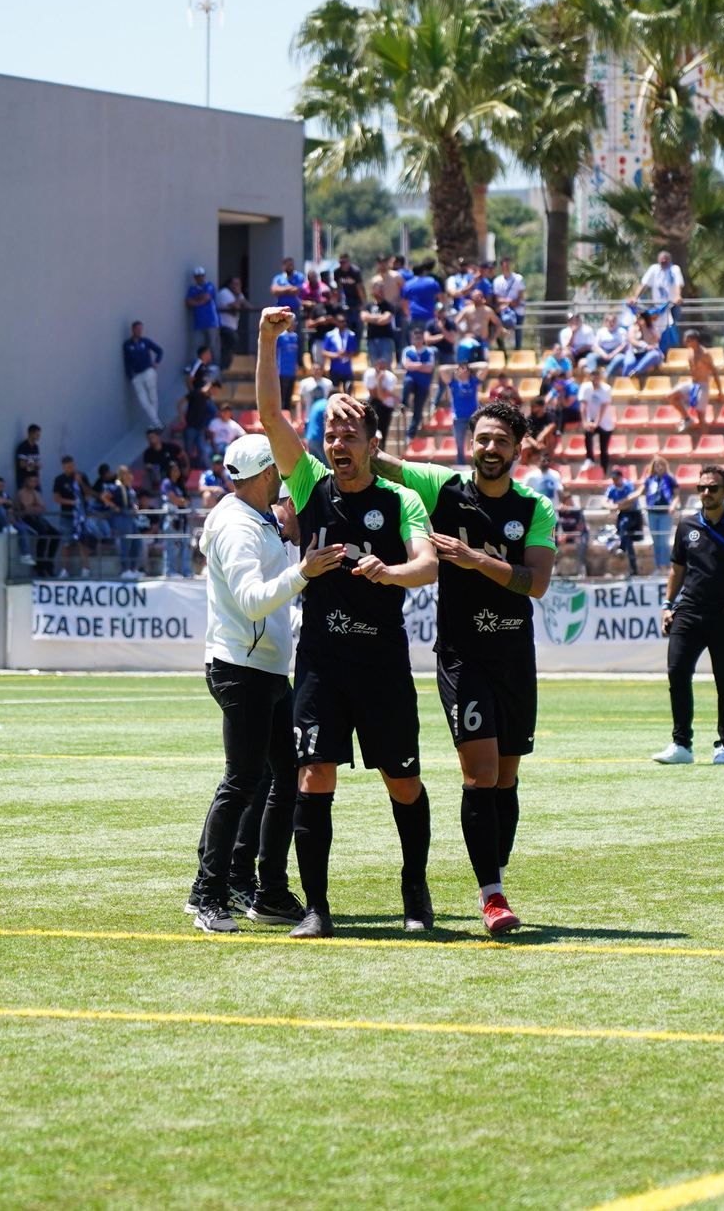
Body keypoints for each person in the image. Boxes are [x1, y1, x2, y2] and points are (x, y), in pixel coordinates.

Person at [336, 393, 557, 935]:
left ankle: (493, 871)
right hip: (462, 659)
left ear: (517, 450)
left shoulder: (535, 508)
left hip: (513, 659)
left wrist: (478, 561)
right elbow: (380, 462)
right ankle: (493, 896)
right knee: (479, 774)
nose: (489, 448)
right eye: (482, 438)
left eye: (501, 441)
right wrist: (359, 421)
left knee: (506, 779)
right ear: (470, 442)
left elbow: (538, 583)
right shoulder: (441, 488)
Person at [256, 305, 439, 940]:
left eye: (349, 434)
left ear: (372, 444)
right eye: (330, 433)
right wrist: (267, 342)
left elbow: (427, 564)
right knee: (313, 775)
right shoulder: (306, 486)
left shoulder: (401, 499)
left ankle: (415, 889)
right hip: (322, 664)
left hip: (382, 662)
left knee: (404, 781)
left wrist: (390, 573)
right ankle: (317, 908)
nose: (337, 443)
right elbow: (271, 418)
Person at [186, 434, 347, 933]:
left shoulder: (249, 517)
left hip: (263, 667)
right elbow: (253, 600)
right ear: (262, 475)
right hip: (244, 668)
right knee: (243, 781)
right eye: (274, 470)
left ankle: (268, 890)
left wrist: (289, 543)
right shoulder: (238, 526)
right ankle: (208, 893)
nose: (281, 477)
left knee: (281, 776)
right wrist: (303, 571)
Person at [653, 465, 724, 765]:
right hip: (688, 612)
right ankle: (681, 746)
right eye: (702, 487)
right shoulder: (687, 526)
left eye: (713, 488)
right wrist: (667, 604)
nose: (706, 493)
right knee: (677, 673)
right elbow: (678, 569)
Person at [14, 473, 60, 577]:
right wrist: (36, 508)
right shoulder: (22, 493)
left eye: (35, 481)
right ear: (26, 481)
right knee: (42, 534)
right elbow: (27, 510)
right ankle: (40, 564)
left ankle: (49, 562)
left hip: (37, 518)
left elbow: (43, 508)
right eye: (32, 481)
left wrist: (34, 508)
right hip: (25, 519)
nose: (34, 483)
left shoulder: (36, 493)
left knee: (56, 534)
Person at [122, 322, 166, 430]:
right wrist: (130, 376)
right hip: (137, 375)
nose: (139, 331)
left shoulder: (145, 341)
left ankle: (156, 423)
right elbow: (127, 362)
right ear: (133, 330)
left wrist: (156, 362)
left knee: (153, 397)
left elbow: (159, 350)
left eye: (141, 329)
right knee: (143, 401)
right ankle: (156, 422)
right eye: (137, 329)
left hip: (148, 371)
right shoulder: (127, 345)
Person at [606, 465, 644, 575]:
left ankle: (621, 548)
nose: (615, 481)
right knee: (628, 539)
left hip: (633, 515)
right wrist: (612, 506)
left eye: (616, 479)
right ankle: (633, 569)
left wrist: (618, 505)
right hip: (622, 514)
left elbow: (631, 501)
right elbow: (604, 501)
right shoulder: (612, 488)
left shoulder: (628, 486)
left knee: (624, 525)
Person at [642, 456, 678, 571]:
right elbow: (640, 492)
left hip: (665, 512)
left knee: (664, 541)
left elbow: (676, 495)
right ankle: (659, 566)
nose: (660, 467)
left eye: (662, 465)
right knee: (656, 541)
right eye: (658, 465)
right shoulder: (650, 479)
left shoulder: (670, 479)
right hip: (652, 512)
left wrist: (672, 506)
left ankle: (667, 566)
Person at [579, 364, 616, 470]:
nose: (595, 378)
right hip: (591, 419)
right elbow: (583, 405)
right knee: (588, 434)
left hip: (605, 422)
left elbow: (603, 407)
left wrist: (597, 423)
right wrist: (585, 422)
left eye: (597, 376)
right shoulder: (585, 387)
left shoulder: (606, 389)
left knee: (603, 449)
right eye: (593, 376)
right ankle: (589, 459)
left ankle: (604, 470)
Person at [634, 249, 685, 326]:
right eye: (662, 259)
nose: (664, 260)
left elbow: (678, 284)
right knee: (656, 326)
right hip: (657, 306)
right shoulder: (654, 269)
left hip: (672, 305)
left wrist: (678, 296)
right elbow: (644, 285)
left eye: (666, 259)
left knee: (673, 326)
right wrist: (635, 297)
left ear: (670, 260)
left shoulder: (675, 269)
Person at [400, 331, 437, 430]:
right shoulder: (407, 350)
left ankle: (411, 433)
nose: (418, 341)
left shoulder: (429, 351)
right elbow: (406, 366)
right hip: (412, 380)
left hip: (423, 384)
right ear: (412, 339)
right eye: (416, 338)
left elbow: (430, 368)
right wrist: (421, 365)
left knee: (418, 408)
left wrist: (414, 365)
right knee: (407, 382)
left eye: (420, 338)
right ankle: (404, 404)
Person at [447, 362, 482, 465]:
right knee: (459, 442)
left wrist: (470, 366)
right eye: (461, 369)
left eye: (465, 369)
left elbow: (485, 366)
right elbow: (441, 370)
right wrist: (456, 367)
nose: (463, 371)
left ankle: (477, 461)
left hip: (473, 417)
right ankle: (461, 463)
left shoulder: (473, 382)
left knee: (478, 440)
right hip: (459, 418)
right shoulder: (453, 383)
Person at [402, 259, 443, 340]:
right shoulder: (432, 282)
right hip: (430, 315)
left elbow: (404, 303)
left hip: (415, 316)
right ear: (424, 271)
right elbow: (441, 299)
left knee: (416, 341)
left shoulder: (408, 284)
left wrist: (408, 315)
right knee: (430, 339)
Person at [186, 268, 221, 359]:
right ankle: (198, 365)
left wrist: (195, 300)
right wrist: (199, 301)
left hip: (211, 321)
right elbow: (188, 302)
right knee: (197, 345)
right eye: (198, 277)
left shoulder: (209, 286)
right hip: (198, 322)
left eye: (201, 276)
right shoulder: (192, 289)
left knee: (212, 345)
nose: (200, 279)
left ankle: (213, 365)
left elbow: (207, 297)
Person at [361, 293, 397, 368]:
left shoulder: (388, 305)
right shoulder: (367, 305)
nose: (381, 291)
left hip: (386, 338)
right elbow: (364, 317)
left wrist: (370, 318)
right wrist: (380, 317)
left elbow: (385, 320)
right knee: (373, 367)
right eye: (378, 288)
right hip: (371, 339)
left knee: (386, 366)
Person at [320, 317, 357, 386]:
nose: (343, 324)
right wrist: (337, 355)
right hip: (335, 370)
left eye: (345, 321)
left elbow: (356, 352)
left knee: (348, 391)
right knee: (335, 392)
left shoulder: (351, 335)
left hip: (347, 370)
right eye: (341, 321)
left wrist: (347, 355)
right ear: (336, 323)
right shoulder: (330, 335)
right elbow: (324, 352)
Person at [332, 252, 365, 329]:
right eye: (340, 262)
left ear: (349, 262)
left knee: (358, 323)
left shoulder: (355, 271)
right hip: (347, 298)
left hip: (357, 299)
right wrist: (338, 301)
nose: (342, 264)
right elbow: (339, 287)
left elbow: (359, 288)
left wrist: (363, 303)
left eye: (344, 262)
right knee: (347, 321)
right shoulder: (337, 272)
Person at [14, 424, 43, 490]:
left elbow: (36, 462)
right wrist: (34, 465)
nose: (39, 436)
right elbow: (22, 464)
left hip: (35, 481)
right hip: (24, 481)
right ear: (31, 434)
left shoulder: (36, 447)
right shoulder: (23, 446)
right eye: (37, 434)